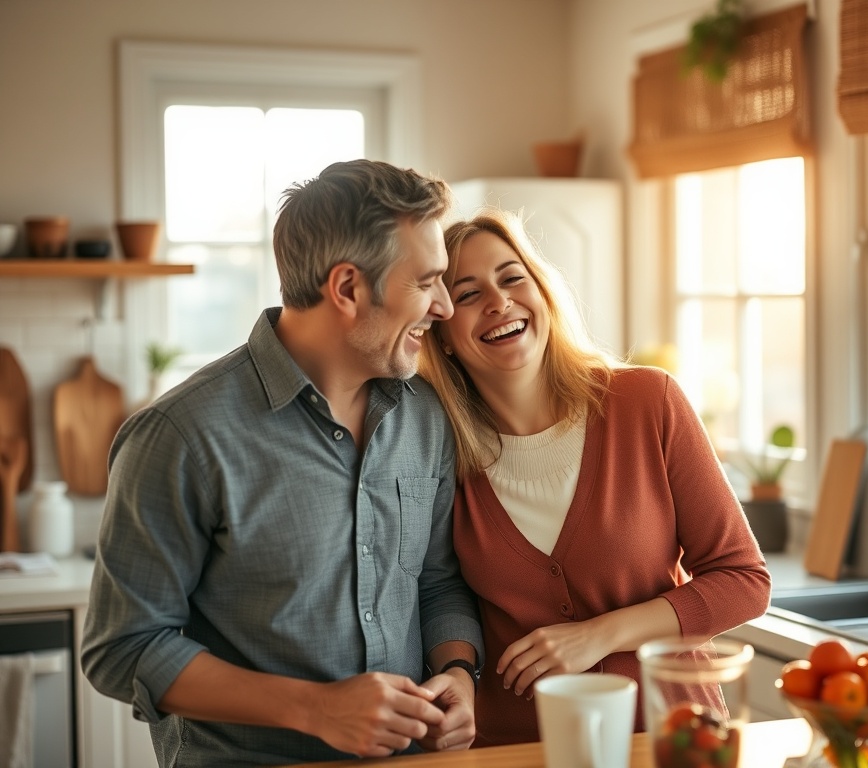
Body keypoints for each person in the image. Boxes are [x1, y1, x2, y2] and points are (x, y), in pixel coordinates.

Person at [81, 159, 484, 767]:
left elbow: (436, 580)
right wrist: (315, 707)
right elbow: (124, 648)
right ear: (347, 288)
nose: (446, 307)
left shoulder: (424, 417)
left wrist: (457, 669)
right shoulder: (182, 436)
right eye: (426, 281)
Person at [419, 208, 772, 746]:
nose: (498, 302)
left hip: (669, 739)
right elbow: (443, 590)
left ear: (543, 294)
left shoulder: (647, 403)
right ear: (442, 333)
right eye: (467, 294)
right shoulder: (437, 449)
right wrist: (457, 670)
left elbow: (743, 580)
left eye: (512, 277)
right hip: (517, 750)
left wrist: (598, 636)